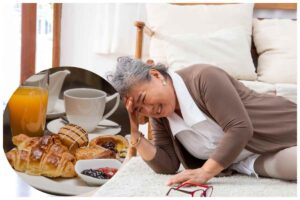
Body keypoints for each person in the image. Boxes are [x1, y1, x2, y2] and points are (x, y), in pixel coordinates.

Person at [109, 57, 297, 186]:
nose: (148, 110)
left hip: (285, 128)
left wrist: (206, 172)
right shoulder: (161, 116)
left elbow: (239, 128)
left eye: (143, 99)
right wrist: (133, 132)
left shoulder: (204, 77)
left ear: (156, 75)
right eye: (139, 109)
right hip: (250, 160)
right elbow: (167, 165)